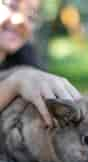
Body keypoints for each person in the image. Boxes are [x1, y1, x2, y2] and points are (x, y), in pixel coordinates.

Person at [0, 0, 81, 128]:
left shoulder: (25, 54)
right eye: (12, 6)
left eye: (31, 16)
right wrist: (15, 83)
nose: (20, 20)